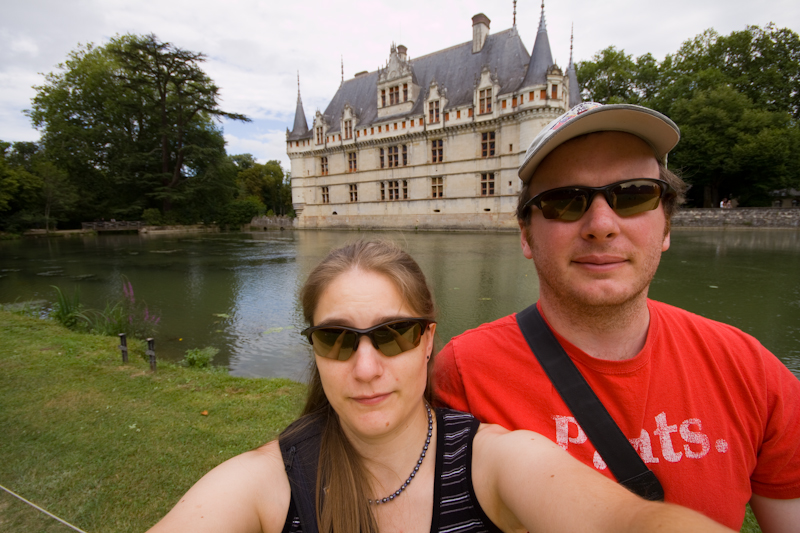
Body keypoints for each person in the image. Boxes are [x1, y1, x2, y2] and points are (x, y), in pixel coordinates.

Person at [148, 240, 733, 533]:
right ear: (314, 349)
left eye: (394, 334)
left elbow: (623, 523)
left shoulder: (495, 462)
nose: (367, 366)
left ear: (429, 339)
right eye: (336, 339)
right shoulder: (267, 483)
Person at [434, 102, 800, 532]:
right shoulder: (461, 374)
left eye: (633, 194)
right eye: (564, 201)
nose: (601, 224)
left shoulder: (751, 371)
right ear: (526, 235)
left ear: (666, 227)